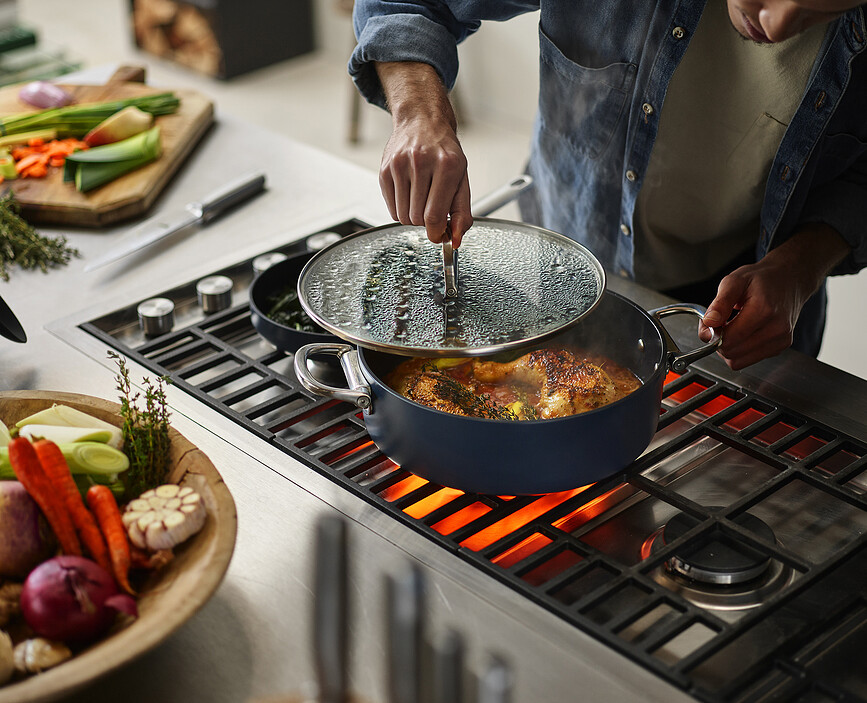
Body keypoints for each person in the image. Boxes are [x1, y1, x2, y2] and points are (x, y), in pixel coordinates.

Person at [347, 0, 867, 370]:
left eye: (819, 11)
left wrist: (798, 269)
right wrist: (420, 115)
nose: (777, 24)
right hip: (559, 272)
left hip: (753, 318)